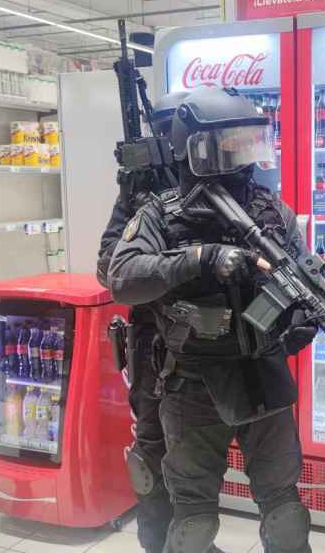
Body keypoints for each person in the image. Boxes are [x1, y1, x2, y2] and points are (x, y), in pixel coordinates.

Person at [109, 88, 316, 553]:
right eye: (231, 143)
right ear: (198, 149)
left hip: (262, 374)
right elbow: (121, 277)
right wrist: (198, 259)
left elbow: (303, 270)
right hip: (192, 382)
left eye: (248, 142)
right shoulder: (160, 213)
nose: (243, 156)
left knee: (284, 510)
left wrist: (302, 315)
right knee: (193, 519)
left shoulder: (268, 210)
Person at [96, 91, 225, 553]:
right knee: (153, 452)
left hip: (214, 346)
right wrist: (178, 267)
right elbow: (109, 268)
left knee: (196, 463)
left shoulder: (219, 182)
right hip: (155, 343)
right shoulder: (143, 188)